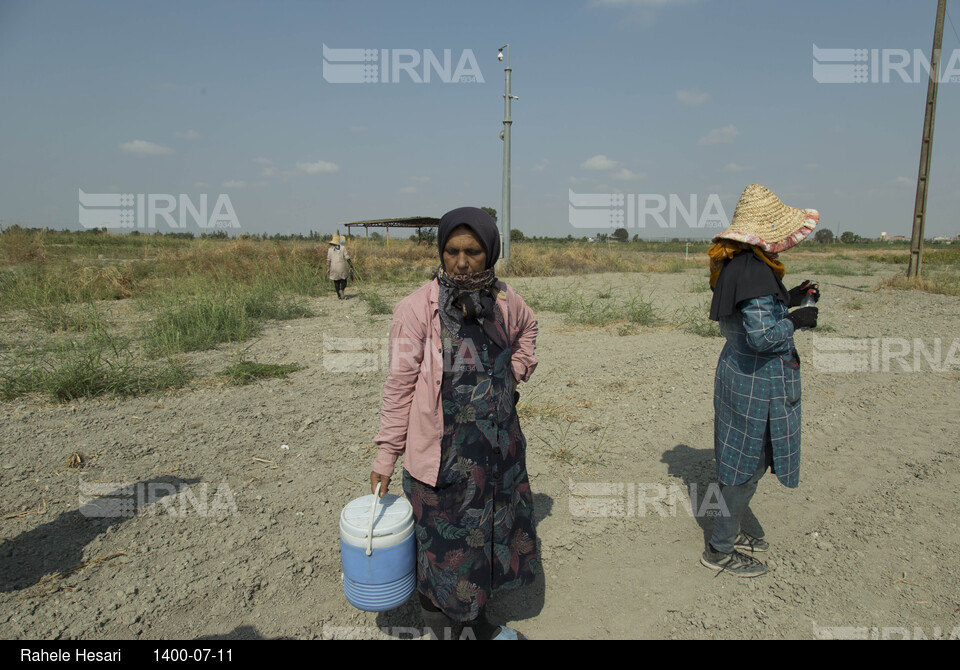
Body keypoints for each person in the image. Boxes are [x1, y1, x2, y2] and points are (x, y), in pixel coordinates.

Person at [369, 207, 540, 639]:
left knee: (486, 536)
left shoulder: (505, 301)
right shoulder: (415, 309)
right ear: (440, 252)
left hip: (496, 448)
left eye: (473, 251)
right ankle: (447, 629)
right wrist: (386, 454)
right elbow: (399, 387)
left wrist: (515, 374)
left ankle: (475, 623)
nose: (461, 262)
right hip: (441, 454)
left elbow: (529, 330)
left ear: (491, 252)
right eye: (451, 251)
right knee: (441, 545)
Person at [702, 184, 821, 577]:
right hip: (755, 379)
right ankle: (719, 549)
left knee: (741, 459)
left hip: (738, 372)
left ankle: (729, 531)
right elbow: (763, 336)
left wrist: (790, 297)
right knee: (746, 466)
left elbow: (754, 314)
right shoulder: (753, 271)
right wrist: (796, 319)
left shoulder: (741, 266)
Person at [326, 234, 353, 299]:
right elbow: (347, 257)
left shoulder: (330, 249)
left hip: (333, 267)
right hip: (341, 266)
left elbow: (328, 260)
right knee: (344, 280)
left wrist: (328, 268)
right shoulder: (343, 248)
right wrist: (351, 265)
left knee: (336, 282)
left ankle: (339, 296)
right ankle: (342, 290)